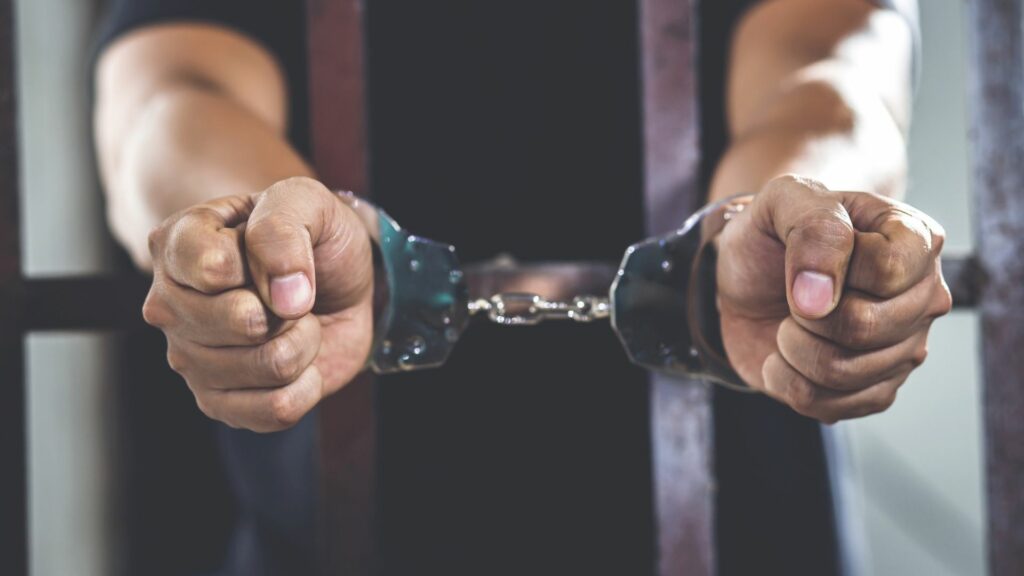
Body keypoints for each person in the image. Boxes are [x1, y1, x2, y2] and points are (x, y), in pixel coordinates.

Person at [93, 0, 949, 574]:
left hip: (737, 517)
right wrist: (257, 240)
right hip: (339, 523)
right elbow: (169, 98)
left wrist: (808, 223)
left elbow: (831, 79)